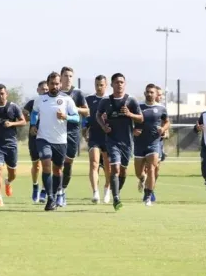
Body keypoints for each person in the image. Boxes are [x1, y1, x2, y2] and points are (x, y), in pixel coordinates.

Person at [30, 72, 79, 211]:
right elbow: (34, 113)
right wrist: (33, 125)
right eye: (52, 84)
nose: (54, 86)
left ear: (61, 84)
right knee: (46, 164)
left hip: (60, 140)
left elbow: (77, 118)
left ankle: (57, 193)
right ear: (48, 84)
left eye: (57, 84)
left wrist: (66, 117)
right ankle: (50, 198)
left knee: (57, 170)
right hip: (43, 138)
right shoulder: (40, 99)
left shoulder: (67, 99)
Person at [96, 73, 143, 211]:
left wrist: (130, 115)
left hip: (127, 142)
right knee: (115, 168)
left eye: (121, 82)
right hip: (112, 140)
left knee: (123, 171)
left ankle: (117, 191)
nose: (119, 84)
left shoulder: (131, 101)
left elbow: (140, 118)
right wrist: (103, 126)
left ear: (125, 84)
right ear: (112, 85)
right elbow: (98, 115)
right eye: (116, 82)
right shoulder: (105, 101)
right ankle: (116, 198)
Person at [133, 84, 169, 206]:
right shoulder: (138, 107)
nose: (149, 94)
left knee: (152, 169)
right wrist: (133, 130)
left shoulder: (161, 108)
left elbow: (167, 122)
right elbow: (129, 122)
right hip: (139, 144)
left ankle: (148, 196)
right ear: (145, 93)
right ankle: (142, 179)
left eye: (152, 92)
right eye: (147, 92)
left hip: (154, 144)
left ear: (155, 94)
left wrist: (163, 129)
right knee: (139, 172)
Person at [57, 67, 89, 207]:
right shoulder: (55, 93)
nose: (68, 78)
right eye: (65, 75)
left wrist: (74, 109)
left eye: (70, 76)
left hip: (73, 132)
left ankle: (63, 190)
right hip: (56, 132)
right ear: (60, 77)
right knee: (57, 163)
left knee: (68, 162)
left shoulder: (78, 93)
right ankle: (57, 193)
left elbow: (87, 111)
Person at [0, 84, 26, 206]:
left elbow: (23, 121)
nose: (0, 96)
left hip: (11, 144)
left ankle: (8, 182)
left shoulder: (13, 107)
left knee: (13, 174)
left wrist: (11, 124)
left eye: (2, 93)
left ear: (6, 94)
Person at [84, 75, 111, 204]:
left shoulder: (111, 100)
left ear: (106, 85)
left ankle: (107, 188)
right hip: (94, 136)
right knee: (94, 163)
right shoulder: (89, 99)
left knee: (108, 166)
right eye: (97, 85)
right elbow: (85, 117)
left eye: (101, 85)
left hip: (108, 137)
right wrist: (84, 129)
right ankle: (95, 192)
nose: (99, 87)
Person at [23, 81, 49, 203]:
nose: (45, 91)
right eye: (42, 89)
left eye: (46, 89)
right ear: (37, 90)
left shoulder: (51, 102)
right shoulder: (32, 102)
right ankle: (35, 186)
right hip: (34, 137)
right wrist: (29, 118)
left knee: (46, 164)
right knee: (36, 165)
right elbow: (23, 114)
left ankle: (44, 190)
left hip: (47, 137)